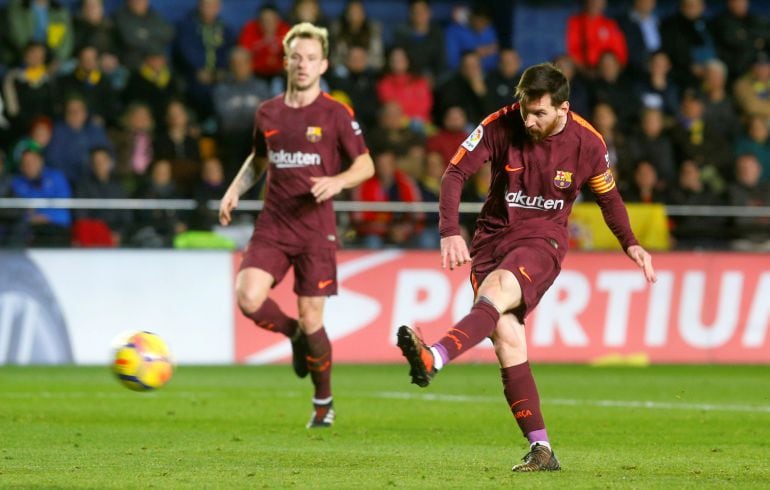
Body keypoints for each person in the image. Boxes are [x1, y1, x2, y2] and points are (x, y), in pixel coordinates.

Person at [396, 63, 656, 472]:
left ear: (563, 108)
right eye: (524, 110)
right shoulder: (500, 124)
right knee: (507, 338)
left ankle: (435, 357)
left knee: (497, 290)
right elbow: (454, 173)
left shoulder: (587, 143)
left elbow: (609, 198)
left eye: (538, 113)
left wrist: (632, 244)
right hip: (490, 238)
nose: (528, 120)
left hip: (543, 241)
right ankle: (542, 448)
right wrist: (449, 231)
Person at [218, 23, 374, 428]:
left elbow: (365, 164)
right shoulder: (268, 111)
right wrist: (234, 190)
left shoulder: (335, 113)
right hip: (274, 222)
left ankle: (323, 402)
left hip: (315, 228)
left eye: (310, 58)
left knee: (313, 317)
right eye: (296, 57)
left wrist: (338, 181)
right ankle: (294, 336)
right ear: (285, 61)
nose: (302, 64)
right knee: (248, 297)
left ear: (322, 64)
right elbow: (258, 159)